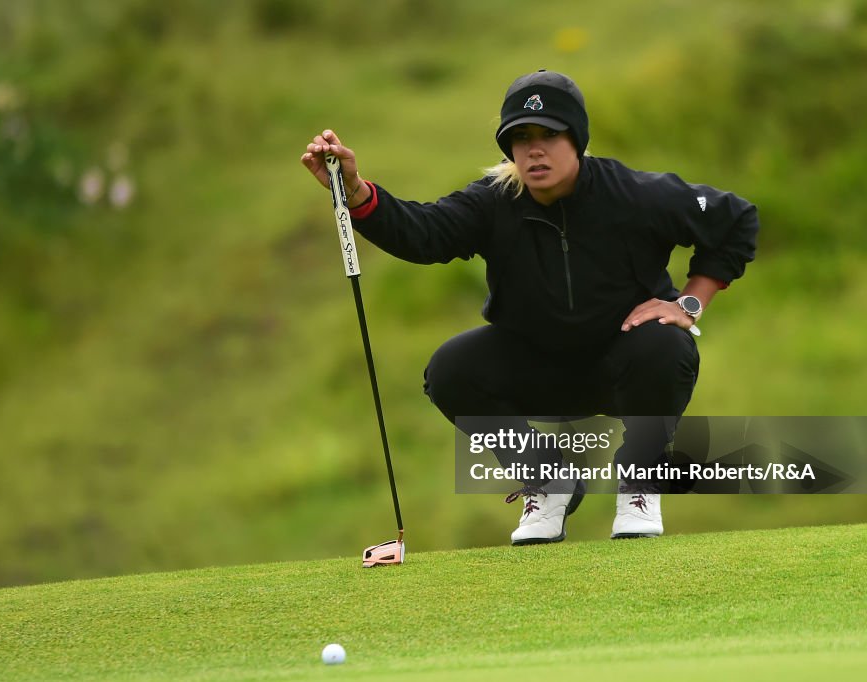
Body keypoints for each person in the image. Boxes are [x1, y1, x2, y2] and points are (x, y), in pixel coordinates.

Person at [300, 70, 758, 545]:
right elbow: (423, 233)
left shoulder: (637, 194)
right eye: (520, 138)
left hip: (624, 362)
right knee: (451, 369)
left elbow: (737, 219)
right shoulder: (493, 202)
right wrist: (353, 191)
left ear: (576, 139)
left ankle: (639, 485)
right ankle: (549, 481)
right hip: (536, 367)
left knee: (668, 344)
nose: (534, 150)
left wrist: (689, 303)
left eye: (549, 135)